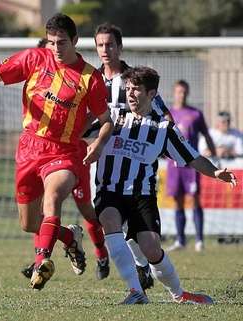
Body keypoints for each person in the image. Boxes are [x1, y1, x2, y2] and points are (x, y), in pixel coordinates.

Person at [0, 13, 114, 291]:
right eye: (52, 42)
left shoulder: (90, 78)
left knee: (52, 197)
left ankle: (42, 262)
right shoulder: (33, 58)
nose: (56, 48)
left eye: (62, 42)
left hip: (63, 152)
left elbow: (107, 121)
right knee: (30, 224)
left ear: (76, 41)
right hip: (29, 148)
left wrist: (99, 143)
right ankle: (69, 237)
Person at [94, 65, 237, 304]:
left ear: (151, 94)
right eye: (128, 88)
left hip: (142, 196)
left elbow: (192, 157)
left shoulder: (164, 129)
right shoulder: (111, 118)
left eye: (136, 89)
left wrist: (215, 172)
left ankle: (179, 294)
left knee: (151, 249)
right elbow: (77, 128)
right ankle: (136, 291)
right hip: (109, 190)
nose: (130, 94)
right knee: (110, 221)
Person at [90, 21, 176, 290]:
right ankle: (128, 263)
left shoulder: (133, 78)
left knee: (128, 217)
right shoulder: (92, 79)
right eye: (100, 45)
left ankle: (140, 265)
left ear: (120, 46)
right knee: (110, 216)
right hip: (102, 155)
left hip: (134, 156)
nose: (105, 50)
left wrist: (169, 145)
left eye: (110, 44)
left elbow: (163, 113)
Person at [20, 38, 110, 282]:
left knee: (83, 208)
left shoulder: (86, 78)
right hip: (39, 153)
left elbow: (99, 115)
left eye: (58, 45)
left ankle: (100, 254)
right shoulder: (40, 76)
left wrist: (85, 135)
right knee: (35, 218)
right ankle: (58, 247)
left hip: (72, 153)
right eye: (50, 47)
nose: (54, 52)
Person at [166, 80, 216, 252]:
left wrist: (214, 153)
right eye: (179, 91)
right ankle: (181, 240)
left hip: (192, 166)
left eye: (185, 92)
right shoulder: (168, 114)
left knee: (194, 199)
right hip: (174, 167)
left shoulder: (195, 114)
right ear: (174, 93)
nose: (182, 94)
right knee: (177, 201)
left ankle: (199, 240)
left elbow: (206, 134)